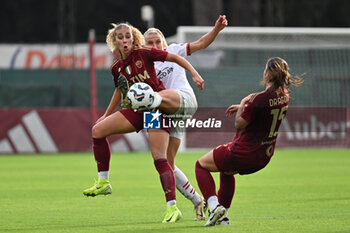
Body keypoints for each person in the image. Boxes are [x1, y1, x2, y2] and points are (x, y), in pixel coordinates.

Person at [82, 22, 204, 223]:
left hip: (156, 109)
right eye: (120, 37)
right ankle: (103, 182)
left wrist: (195, 73)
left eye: (127, 36)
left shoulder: (145, 52)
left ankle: (172, 208)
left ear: (133, 37)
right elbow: (119, 90)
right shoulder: (116, 66)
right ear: (114, 41)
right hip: (136, 110)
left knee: (160, 159)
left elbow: (174, 57)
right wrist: (106, 114)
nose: (124, 40)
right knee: (98, 130)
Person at [195, 57, 304, 226]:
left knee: (200, 165)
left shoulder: (259, 99)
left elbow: (240, 123)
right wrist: (244, 107)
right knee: (227, 171)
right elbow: (264, 111)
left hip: (245, 152)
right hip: (264, 156)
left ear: (267, 73)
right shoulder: (285, 95)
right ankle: (222, 216)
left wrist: (242, 104)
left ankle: (214, 206)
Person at [143, 15, 228, 221]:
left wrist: (216, 29)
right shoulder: (142, 64)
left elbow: (200, 43)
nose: (155, 46)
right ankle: (197, 200)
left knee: (152, 100)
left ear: (164, 42)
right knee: (165, 163)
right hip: (161, 113)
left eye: (158, 42)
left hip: (182, 101)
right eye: (150, 43)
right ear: (144, 46)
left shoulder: (173, 50)